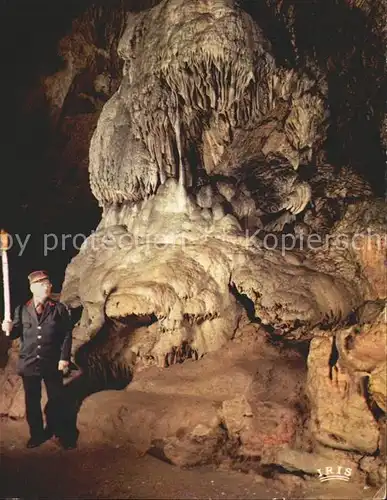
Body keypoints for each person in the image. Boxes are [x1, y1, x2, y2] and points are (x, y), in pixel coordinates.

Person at [1, 270, 76, 449]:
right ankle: (36, 434)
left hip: (51, 361)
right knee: (32, 401)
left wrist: (64, 358)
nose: (48, 287)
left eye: (48, 284)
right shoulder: (22, 310)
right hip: (29, 362)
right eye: (43, 284)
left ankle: (60, 433)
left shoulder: (58, 309)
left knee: (57, 398)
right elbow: (16, 333)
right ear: (33, 288)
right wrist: (8, 328)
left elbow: (66, 334)